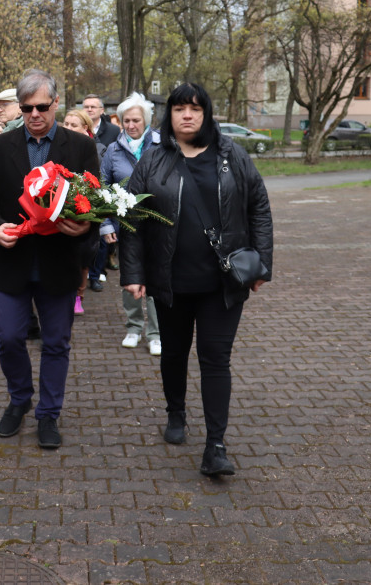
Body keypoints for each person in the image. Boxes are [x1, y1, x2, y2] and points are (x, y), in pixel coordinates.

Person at [119, 82, 273, 477]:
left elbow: (258, 206)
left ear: (206, 114)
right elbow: (132, 218)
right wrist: (133, 273)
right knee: (173, 353)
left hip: (223, 283)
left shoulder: (232, 155)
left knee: (215, 359)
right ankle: (176, 412)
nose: (187, 115)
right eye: (179, 109)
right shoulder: (153, 160)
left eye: (195, 108)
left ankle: (215, 445)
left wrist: (261, 264)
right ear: (168, 115)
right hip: (171, 282)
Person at [0, 69, 100, 450]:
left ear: (56, 103)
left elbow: (96, 202)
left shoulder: (79, 147)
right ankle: (20, 398)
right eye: (27, 108)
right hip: (13, 260)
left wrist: (85, 226)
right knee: (9, 336)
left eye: (42, 107)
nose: (34, 115)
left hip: (59, 262)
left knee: (56, 342)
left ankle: (48, 414)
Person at [102, 92, 162, 355]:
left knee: (157, 277)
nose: (130, 125)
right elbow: (103, 186)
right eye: (126, 120)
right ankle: (134, 327)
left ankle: (156, 333)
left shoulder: (161, 146)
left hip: (159, 224)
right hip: (126, 226)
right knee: (130, 275)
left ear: (146, 120)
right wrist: (105, 225)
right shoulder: (113, 150)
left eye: (136, 120)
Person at [59, 109, 103, 315]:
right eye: (66, 124)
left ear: (85, 128)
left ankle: (79, 295)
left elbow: (96, 180)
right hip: (62, 204)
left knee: (83, 257)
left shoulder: (91, 147)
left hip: (84, 206)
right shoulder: (59, 145)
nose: (68, 128)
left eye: (73, 125)